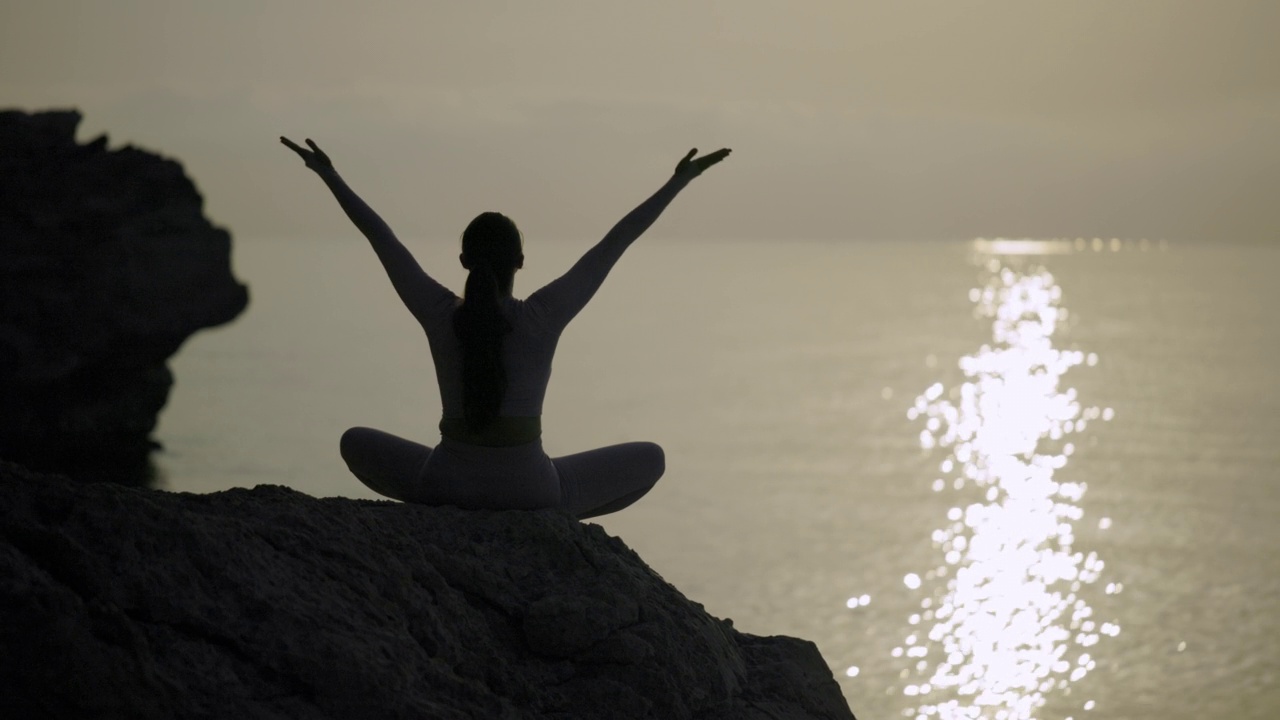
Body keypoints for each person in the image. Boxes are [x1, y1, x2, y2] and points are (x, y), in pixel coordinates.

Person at [281, 136, 730, 519]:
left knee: (354, 441)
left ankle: (455, 501)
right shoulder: (543, 315)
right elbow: (616, 241)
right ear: (519, 262)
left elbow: (382, 238)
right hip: (530, 491)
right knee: (652, 458)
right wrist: (678, 182)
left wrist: (329, 175)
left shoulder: (439, 312)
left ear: (463, 262)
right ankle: (554, 518)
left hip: (446, 486)